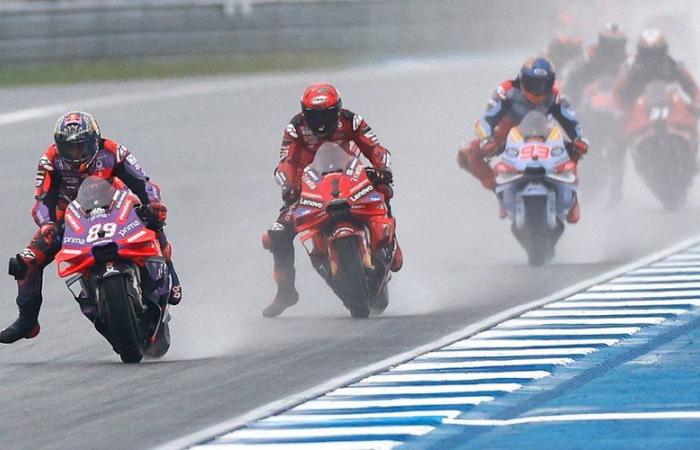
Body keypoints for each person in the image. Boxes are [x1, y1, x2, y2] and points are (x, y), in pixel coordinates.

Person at [0, 111, 182, 344]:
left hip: (116, 206)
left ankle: (171, 275)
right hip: (68, 217)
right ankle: (27, 321)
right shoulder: (50, 160)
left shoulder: (113, 151)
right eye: (69, 148)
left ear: (94, 140)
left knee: (153, 218)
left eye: (81, 147)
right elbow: (41, 201)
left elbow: (144, 183)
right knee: (25, 260)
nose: (76, 154)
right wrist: (47, 224)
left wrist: (154, 203)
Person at [262, 83, 402, 318]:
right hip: (309, 188)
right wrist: (287, 182)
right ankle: (286, 291)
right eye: (314, 115)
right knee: (278, 232)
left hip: (350, 178)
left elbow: (374, 146)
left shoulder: (351, 120)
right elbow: (286, 159)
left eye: (326, 114)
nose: (320, 122)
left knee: (382, 190)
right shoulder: (295, 128)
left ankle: (391, 245)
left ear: (337, 110)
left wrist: (381, 168)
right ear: (305, 113)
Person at [457, 56, 589, 223]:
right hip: (507, 132)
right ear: (522, 79)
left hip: (543, 130)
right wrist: (486, 139)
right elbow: (486, 119)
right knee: (466, 153)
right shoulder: (507, 90)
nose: (538, 92)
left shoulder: (554, 95)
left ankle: (572, 197)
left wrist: (579, 139)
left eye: (543, 85)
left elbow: (570, 119)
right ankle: (498, 190)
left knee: (574, 150)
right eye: (533, 84)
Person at [615, 29, 700, 110]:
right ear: (640, 53)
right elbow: (619, 91)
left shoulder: (674, 64)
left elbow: (692, 86)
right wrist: (621, 109)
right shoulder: (631, 66)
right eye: (647, 54)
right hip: (639, 112)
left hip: (671, 111)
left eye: (657, 54)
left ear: (663, 52)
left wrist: (696, 103)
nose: (652, 59)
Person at [564, 23, 628, 106]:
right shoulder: (592, 52)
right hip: (587, 98)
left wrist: (602, 84)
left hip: (611, 98)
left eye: (615, 36)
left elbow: (624, 78)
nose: (612, 39)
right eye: (610, 35)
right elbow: (577, 72)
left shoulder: (626, 59)